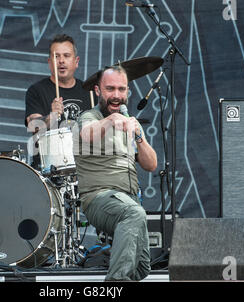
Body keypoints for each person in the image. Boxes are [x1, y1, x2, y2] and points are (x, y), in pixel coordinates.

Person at [74, 65, 158, 281]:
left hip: (127, 200)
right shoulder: (90, 117)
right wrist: (111, 121)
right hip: (99, 199)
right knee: (134, 213)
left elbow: (151, 165)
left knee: (142, 268)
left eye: (121, 89)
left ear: (128, 91)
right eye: (110, 89)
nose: (116, 95)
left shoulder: (130, 122)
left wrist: (139, 136)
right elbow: (86, 134)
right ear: (97, 91)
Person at [25, 34, 94, 169]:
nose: (61, 61)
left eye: (66, 56)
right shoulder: (36, 90)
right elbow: (33, 126)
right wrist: (52, 116)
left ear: (76, 61)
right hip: (50, 169)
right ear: (49, 62)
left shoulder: (90, 91)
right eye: (56, 56)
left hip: (87, 167)